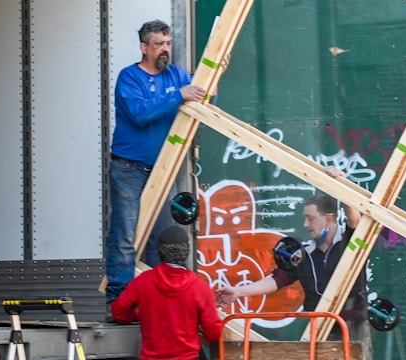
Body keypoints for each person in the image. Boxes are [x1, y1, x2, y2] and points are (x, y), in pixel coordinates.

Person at [106, 19, 207, 306]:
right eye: (159, 44)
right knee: (125, 236)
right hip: (128, 168)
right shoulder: (129, 77)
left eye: (168, 44)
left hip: (164, 168)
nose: (165, 50)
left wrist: (217, 72)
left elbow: (206, 98)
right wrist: (177, 95)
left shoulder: (176, 75)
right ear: (144, 47)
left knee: (161, 239)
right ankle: (118, 302)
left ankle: (159, 303)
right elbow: (139, 113)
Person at [215, 167, 371, 344]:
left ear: (328, 219)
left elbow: (355, 220)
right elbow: (277, 280)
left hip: (353, 327)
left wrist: (343, 187)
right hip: (320, 329)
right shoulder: (304, 254)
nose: (305, 224)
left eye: (310, 218)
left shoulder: (351, 242)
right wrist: (238, 291)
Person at [112, 225, 223, 360]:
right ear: (186, 251)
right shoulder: (200, 288)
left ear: (160, 251)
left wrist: (138, 315)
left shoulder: (143, 281)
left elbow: (118, 311)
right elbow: (213, 333)